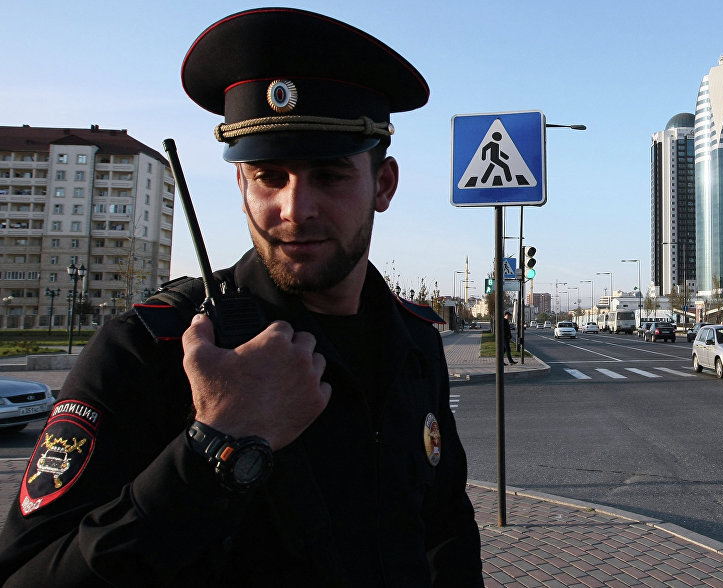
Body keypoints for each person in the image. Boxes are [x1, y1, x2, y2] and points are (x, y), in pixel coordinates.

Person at [0, 8, 483, 586]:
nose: (295, 210)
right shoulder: (151, 349)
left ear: (383, 185)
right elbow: (28, 576)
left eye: (329, 176)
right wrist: (215, 448)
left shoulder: (414, 345)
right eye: (269, 176)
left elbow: (446, 530)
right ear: (240, 183)